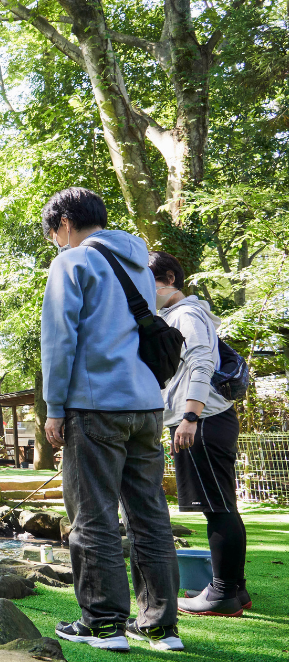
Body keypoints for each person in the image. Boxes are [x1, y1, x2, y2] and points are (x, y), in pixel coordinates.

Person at [41, 188, 182, 652]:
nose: (54, 243)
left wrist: (54, 407)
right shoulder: (140, 265)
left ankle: (103, 624)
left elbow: (60, 341)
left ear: (64, 223)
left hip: (96, 405)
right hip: (145, 405)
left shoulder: (72, 262)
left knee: (93, 516)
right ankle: (160, 627)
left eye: (52, 233)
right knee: (150, 515)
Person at [150, 250, 251, 616]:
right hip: (205, 419)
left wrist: (190, 415)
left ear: (170, 279)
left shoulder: (187, 313)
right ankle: (234, 590)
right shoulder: (176, 314)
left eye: (149, 281)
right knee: (221, 505)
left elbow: (202, 360)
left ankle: (221, 593)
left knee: (217, 507)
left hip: (203, 420)